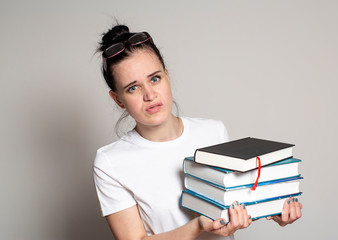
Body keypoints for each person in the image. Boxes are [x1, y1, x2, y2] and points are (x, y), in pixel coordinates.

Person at [93, 24, 302, 240]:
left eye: (155, 79)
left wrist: (274, 210)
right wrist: (198, 226)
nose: (149, 95)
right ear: (118, 99)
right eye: (133, 88)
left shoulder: (212, 131)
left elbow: (237, 202)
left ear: (167, 76)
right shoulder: (110, 162)